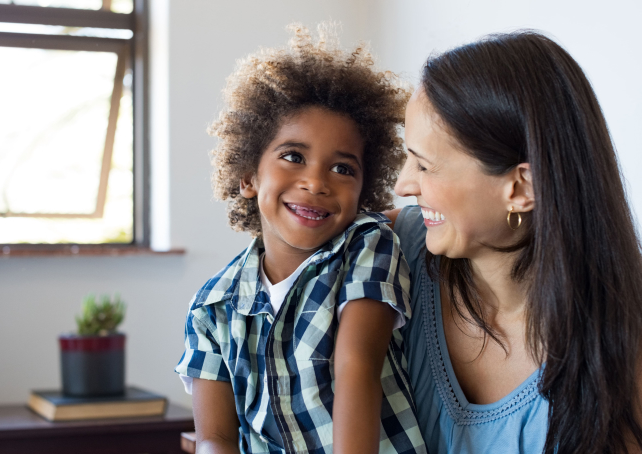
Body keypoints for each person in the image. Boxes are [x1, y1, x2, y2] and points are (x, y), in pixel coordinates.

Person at [386, 31, 642, 454]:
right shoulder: (393, 252)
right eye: (408, 156)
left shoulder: (625, 348)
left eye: (426, 166)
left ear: (522, 187)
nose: (403, 184)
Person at [175, 24, 426, 454]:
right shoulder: (211, 307)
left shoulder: (367, 245)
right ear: (248, 176)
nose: (315, 182)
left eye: (342, 168)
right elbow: (215, 436)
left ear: (364, 191)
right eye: (293, 157)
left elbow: (356, 368)